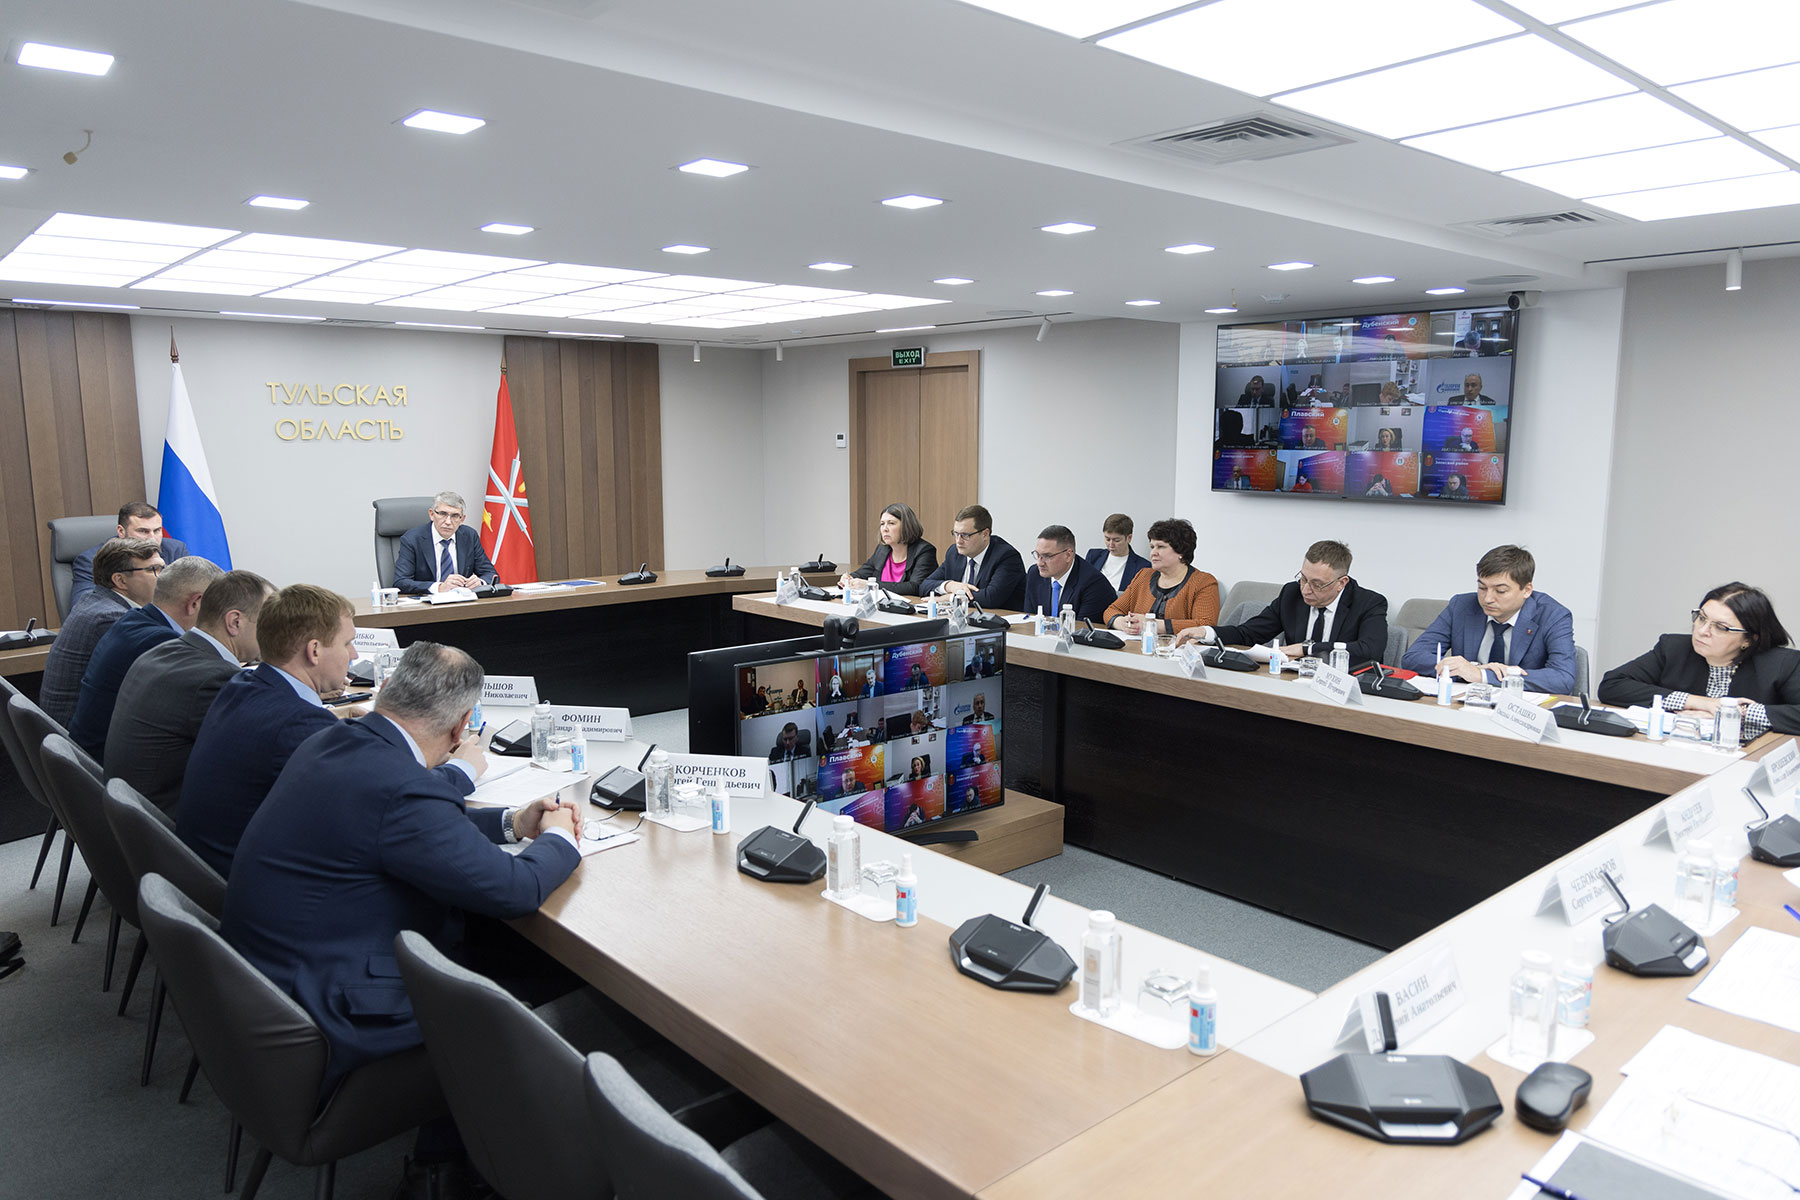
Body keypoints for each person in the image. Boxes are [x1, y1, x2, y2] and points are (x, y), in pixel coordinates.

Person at [223, 641, 581, 1096]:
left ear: (389, 687)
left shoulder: (333, 739)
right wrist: (559, 837)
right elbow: (516, 890)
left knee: (499, 947)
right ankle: (468, 1130)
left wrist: (512, 822)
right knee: (556, 981)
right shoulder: (400, 786)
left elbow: (399, 824)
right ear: (461, 727)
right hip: (337, 1010)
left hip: (268, 991)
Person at [181, 585, 470, 877]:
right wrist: (460, 769)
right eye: (347, 643)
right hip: (254, 882)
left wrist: (346, 724)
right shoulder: (298, 725)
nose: (353, 655)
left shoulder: (242, 685)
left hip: (211, 867)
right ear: (315, 650)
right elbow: (389, 797)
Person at [103, 570, 274, 814]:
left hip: (131, 815)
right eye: (268, 623)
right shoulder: (215, 678)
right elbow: (265, 752)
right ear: (235, 622)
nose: (274, 634)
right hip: (167, 824)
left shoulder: (164, 651)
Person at [1599, 583, 1800, 739]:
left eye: (1721, 627)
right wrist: (1701, 703)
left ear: (1748, 639)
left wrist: (1735, 713)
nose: (1702, 631)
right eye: (1702, 618)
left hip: (1747, 760)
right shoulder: (1674, 648)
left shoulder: (1781, 664)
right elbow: (1612, 685)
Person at [69, 556, 223, 758]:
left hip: (92, 755)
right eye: (216, 608)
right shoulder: (163, 643)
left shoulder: (133, 620)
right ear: (195, 603)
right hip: (108, 764)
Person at [1178, 539, 1388, 665]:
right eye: (1303, 579)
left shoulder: (1369, 603)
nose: (1306, 590)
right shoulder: (1291, 594)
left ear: (1341, 583)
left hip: (1342, 691)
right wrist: (1206, 633)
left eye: (1317, 584)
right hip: (1293, 684)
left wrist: (1307, 649)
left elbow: (1370, 649)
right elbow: (1248, 633)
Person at [1400, 545, 1576, 693]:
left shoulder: (1553, 616)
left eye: (1500, 591)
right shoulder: (1461, 606)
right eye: (1482, 587)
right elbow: (1413, 657)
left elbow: (1562, 678)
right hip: (1463, 705)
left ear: (1526, 590)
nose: (1487, 598)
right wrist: (1469, 668)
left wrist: (1482, 676)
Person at [38, 537, 162, 728]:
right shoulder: (112, 618)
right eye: (153, 570)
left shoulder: (95, 601)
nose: (163, 577)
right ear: (120, 580)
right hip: (76, 735)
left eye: (163, 568)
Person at [1102, 518, 1220, 636]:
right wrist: (1122, 623)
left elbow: (1205, 625)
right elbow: (1111, 610)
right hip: (1137, 645)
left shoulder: (1203, 582)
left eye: (1161, 547)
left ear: (1181, 551)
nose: (1153, 553)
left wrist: (1152, 624)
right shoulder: (1143, 575)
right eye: (1152, 547)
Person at [67, 501, 190, 610]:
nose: (152, 539)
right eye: (143, 531)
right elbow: (83, 605)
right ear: (121, 531)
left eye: (157, 530)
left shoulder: (175, 550)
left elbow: (190, 594)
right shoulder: (92, 559)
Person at [922, 504, 1026, 611]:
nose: (958, 541)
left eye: (965, 535)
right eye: (956, 534)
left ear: (985, 534)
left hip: (1002, 619)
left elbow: (991, 598)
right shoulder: (954, 553)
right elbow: (924, 586)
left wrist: (951, 598)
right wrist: (949, 586)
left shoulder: (1007, 556)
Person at [392, 490, 498, 595]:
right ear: (432, 514)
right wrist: (439, 587)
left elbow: (491, 574)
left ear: (462, 519)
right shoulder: (412, 539)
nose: (448, 522)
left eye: (455, 516)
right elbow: (401, 582)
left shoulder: (469, 536)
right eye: (443, 514)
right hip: (428, 602)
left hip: (462, 601)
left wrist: (480, 582)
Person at [1023, 524, 1116, 625]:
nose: (1039, 563)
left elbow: (1080, 629)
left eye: (1047, 556)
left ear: (1068, 555)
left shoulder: (1094, 584)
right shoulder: (1035, 574)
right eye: (1037, 554)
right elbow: (1029, 620)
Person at [844, 502, 938, 596]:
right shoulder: (882, 549)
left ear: (906, 526)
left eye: (891, 523)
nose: (884, 529)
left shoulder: (924, 551)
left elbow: (915, 587)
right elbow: (866, 570)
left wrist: (870, 585)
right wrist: (849, 578)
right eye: (882, 524)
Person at [1084, 514, 1150, 597]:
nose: (1111, 544)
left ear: (1129, 538)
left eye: (1116, 540)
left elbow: (1139, 598)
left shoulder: (1143, 566)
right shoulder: (1093, 556)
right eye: (1107, 539)